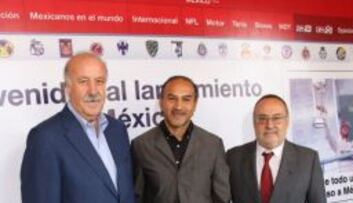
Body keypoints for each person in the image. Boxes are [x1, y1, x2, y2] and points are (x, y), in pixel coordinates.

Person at [20, 52, 135, 203]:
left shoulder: (117, 130)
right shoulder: (45, 138)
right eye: (83, 81)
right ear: (67, 88)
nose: (93, 91)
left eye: (99, 81)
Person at [131, 75, 230, 203]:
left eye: (186, 99)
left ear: (195, 104)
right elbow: (136, 197)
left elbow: (222, 197)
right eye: (172, 98)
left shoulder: (213, 144)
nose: (178, 106)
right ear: (161, 102)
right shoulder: (141, 145)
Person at [226, 94, 326, 203]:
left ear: (287, 122)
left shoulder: (308, 160)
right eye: (262, 118)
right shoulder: (233, 158)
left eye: (277, 118)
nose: (269, 125)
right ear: (254, 123)